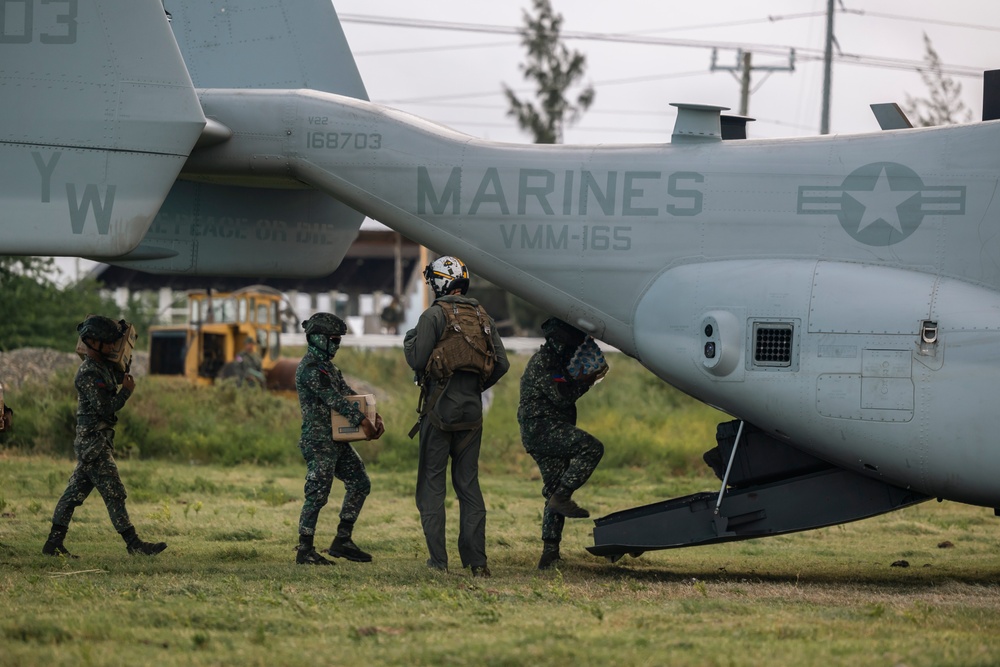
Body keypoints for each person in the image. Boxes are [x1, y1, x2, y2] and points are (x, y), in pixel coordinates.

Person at [404, 256, 509, 577]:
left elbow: (418, 360)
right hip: (472, 412)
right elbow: (502, 364)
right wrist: (476, 387)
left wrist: (410, 341)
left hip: (439, 411)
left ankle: (439, 561)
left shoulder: (434, 315)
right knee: (469, 486)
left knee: (432, 487)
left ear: (438, 283)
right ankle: (478, 562)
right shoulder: (483, 316)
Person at [43, 316, 167, 558]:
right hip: (94, 443)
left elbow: (115, 374)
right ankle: (134, 545)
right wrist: (126, 393)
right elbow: (105, 408)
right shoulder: (88, 373)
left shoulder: (103, 368)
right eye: (108, 343)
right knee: (114, 492)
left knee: (73, 495)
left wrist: (123, 371)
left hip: (97, 442)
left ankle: (53, 543)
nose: (112, 347)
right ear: (93, 343)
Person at [517, 318, 607, 570]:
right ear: (558, 342)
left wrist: (581, 381)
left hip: (543, 429)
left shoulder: (556, 362)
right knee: (591, 448)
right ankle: (563, 496)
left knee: (554, 487)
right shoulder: (544, 363)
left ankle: (550, 552)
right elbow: (561, 398)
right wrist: (585, 383)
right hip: (543, 429)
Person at [294, 312, 383, 565]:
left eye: (338, 340)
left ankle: (342, 540)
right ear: (317, 338)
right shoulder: (311, 369)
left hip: (335, 441)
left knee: (360, 483)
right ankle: (305, 549)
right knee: (317, 494)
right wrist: (363, 421)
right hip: (318, 442)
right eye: (333, 339)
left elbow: (348, 394)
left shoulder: (328, 368)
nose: (336, 345)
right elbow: (334, 400)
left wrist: (375, 415)